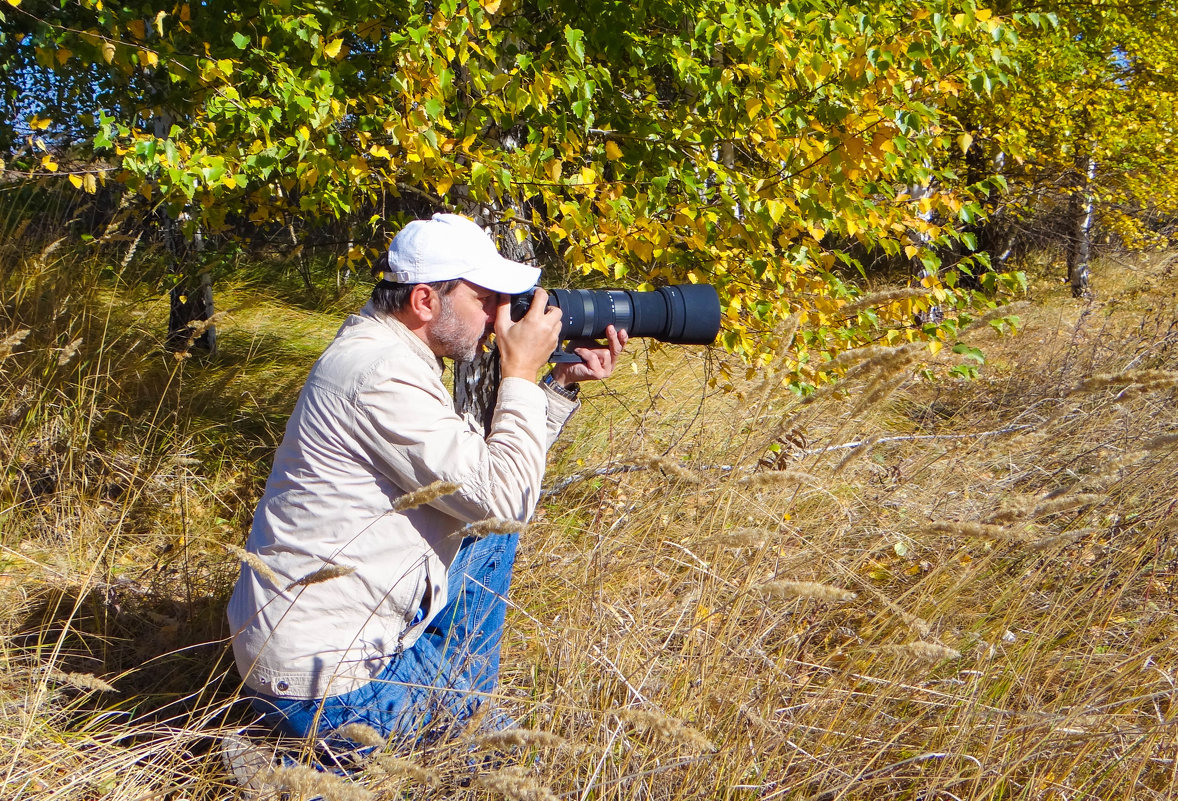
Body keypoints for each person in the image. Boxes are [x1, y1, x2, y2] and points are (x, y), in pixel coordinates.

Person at [226, 213, 626, 753]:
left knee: (489, 533)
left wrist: (554, 386)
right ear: (424, 301)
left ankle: (440, 716)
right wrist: (520, 375)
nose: (499, 317)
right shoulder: (380, 374)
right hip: (331, 685)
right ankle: (305, 763)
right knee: (491, 757)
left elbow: (481, 483)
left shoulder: (389, 351)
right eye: (485, 299)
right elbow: (504, 498)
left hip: (318, 653)